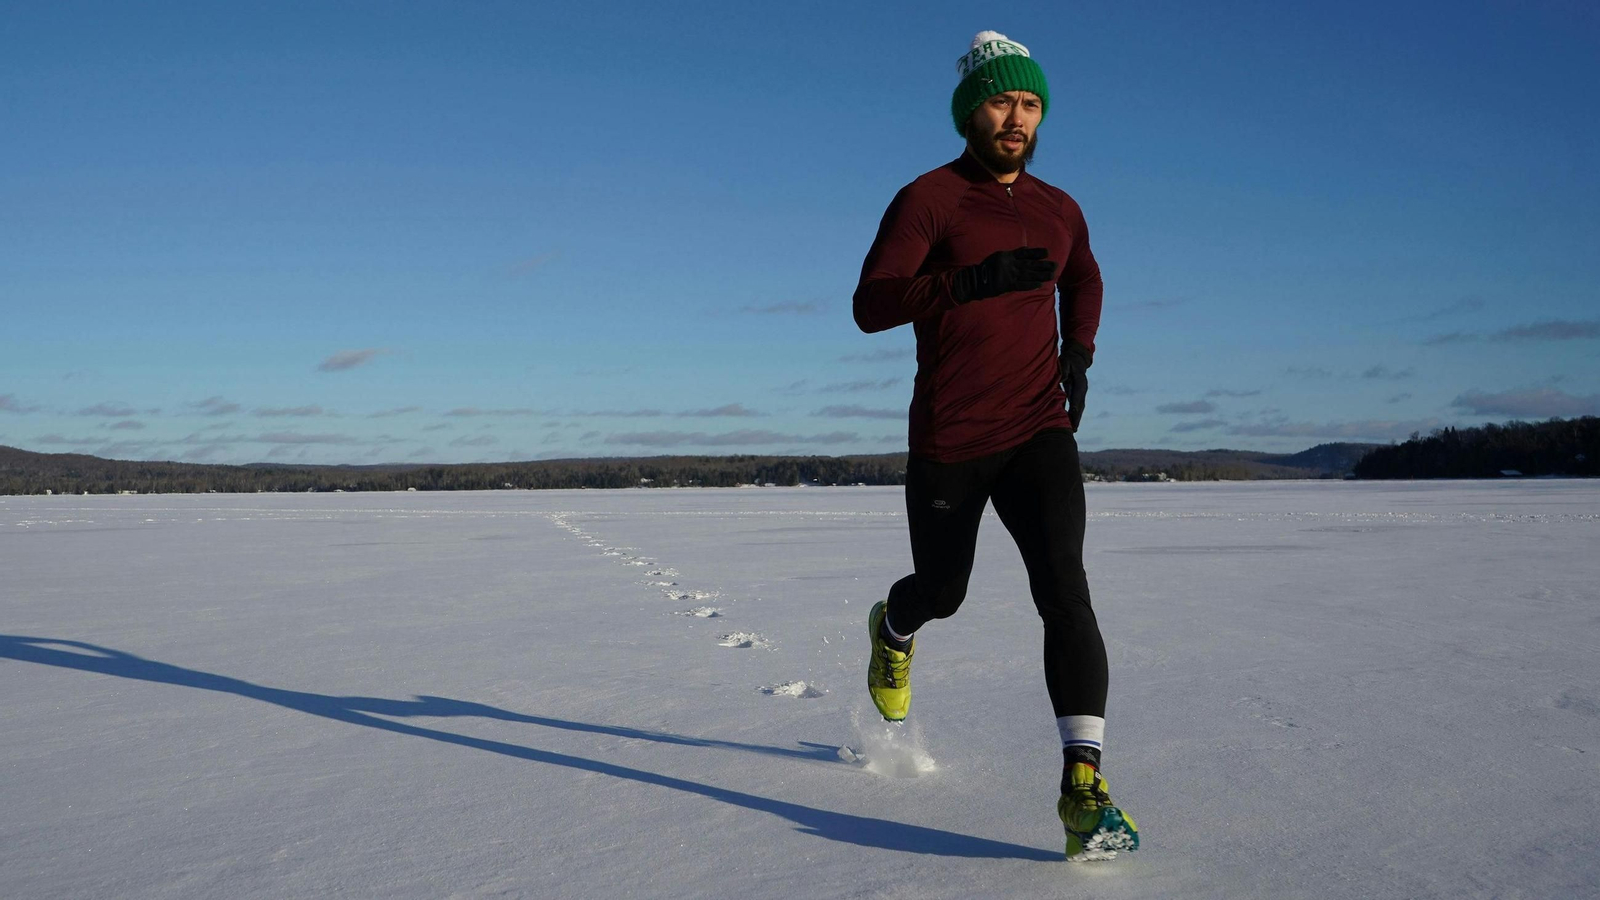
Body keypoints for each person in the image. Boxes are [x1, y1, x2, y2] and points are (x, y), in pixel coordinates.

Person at [851, 31, 1137, 861]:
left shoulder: (1059, 207)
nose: (1018, 118)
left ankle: (1083, 784)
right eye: (1004, 101)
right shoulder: (929, 199)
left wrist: (1078, 353)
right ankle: (894, 629)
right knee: (943, 590)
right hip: (951, 436)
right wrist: (968, 283)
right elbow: (872, 304)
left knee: (1066, 592)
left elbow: (1084, 274)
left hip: (1038, 429)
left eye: (1032, 103)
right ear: (970, 111)